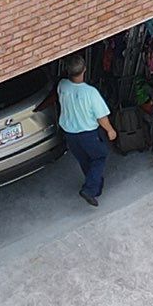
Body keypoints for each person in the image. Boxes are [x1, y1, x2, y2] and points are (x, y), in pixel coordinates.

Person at [56, 58, 112, 205]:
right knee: (100, 157)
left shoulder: (62, 85)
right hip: (89, 134)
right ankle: (89, 189)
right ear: (85, 70)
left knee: (85, 160)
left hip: (70, 135)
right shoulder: (90, 92)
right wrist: (111, 130)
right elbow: (101, 117)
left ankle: (95, 188)